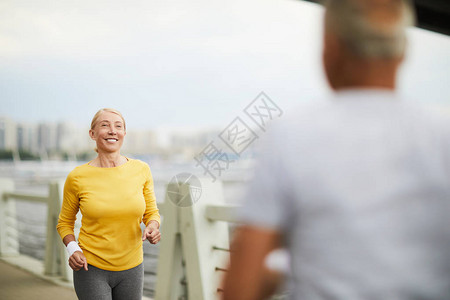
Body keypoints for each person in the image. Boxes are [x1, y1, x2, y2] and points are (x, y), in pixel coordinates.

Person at [222, 0, 450, 299]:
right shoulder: (441, 135)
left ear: (331, 48)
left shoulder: (292, 135)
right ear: (402, 52)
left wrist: (288, 268)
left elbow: (241, 288)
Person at [56, 108, 161, 300]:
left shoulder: (141, 169)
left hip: (133, 268)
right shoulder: (77, 176)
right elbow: (64, 223)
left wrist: (153, 227)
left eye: (118, 126)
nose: (113, 130)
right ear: (93, 134)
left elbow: (152, 212)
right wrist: (73, 250)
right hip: (90, 267)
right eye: (105, 125)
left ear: (124, 134)